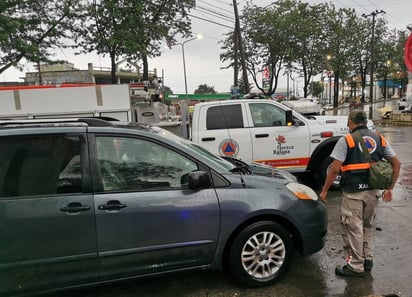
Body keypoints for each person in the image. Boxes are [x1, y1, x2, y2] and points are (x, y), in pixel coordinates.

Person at [319, 109, 401, 277]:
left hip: (354, 193)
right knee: (368, 226)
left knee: (353, 228)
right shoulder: (379, 138)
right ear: (365, 121)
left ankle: (355, 266)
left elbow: (335, 169)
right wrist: (390, 189)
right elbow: (397, 163)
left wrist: (325, 191)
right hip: (373, 192)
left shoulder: (347, 140)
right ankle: (367, 259)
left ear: (350, 122)